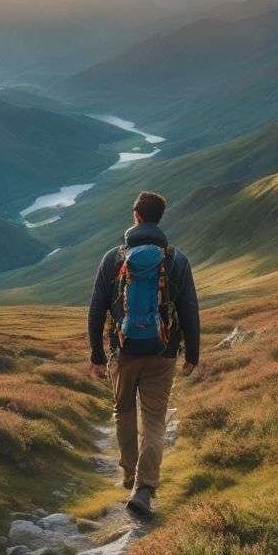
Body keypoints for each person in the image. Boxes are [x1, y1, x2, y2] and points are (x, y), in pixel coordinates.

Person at [87, 191, 200, 516]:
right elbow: (189, 309)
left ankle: (128, 471)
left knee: (123, 412)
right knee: (153, 420)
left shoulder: (114, 258)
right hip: (163, 352)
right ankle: (144, 487)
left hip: (123, 353)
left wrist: (96, 353)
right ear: (159, 218)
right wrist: (192, 351)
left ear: (136, 215)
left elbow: (96, 309)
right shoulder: (176, 260)